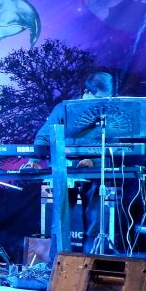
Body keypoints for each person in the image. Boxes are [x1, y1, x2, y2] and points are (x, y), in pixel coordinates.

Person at [31, 71, 116, 251]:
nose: (103, 104)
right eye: (99, 99)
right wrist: (35, 160)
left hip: (95, 173)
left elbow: (114, 146)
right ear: (86, 92)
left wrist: (93, 161)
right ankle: (57, 263)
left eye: (107, 99)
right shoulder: (64, 109)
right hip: (65, 170)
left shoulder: (110, 114)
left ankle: (91, 261)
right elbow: (43, 138)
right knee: (61, 222)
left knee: (95, 224)